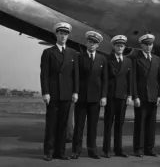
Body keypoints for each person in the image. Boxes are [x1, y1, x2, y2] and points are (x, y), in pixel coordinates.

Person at [40, 22, 79, 161]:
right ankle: (49, 152)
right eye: (61, 33)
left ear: (68, 36)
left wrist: (75, 92)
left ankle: (60, 152)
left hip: (67, 94)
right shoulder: (48, 52)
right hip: (53, 94)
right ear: (56, 34)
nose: (63, 36)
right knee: (52, 123)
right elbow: (44, 74)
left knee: (63, 124)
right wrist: (45, 92)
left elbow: (75, 75)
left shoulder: (73, 54)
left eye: (65, 34)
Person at [71, 31, 108, 160]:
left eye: (95, 43)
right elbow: (76, 76)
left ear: (98, 45)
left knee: (93, 126)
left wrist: (104, 96)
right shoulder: (79, 57)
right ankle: (76, 150)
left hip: (95, 98)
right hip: (81, 97)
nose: (92, 45)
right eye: (90, 42)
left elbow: (105, 79)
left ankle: (92, 150)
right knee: (79, 125)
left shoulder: (102, 59)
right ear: (86, 43)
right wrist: (75, 92)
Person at [132, 34, 160, 157]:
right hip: (141, 97)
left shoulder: (157, 59)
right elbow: (133, 80)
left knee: (151, 125)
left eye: (150, 44)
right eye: (146, 44)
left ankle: (149, 148)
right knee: (140, 124)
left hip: (153, 97)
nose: (148, 46)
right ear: (142, 46)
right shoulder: (137, 60)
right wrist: (135, 96)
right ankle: (138, 149)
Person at [102, 35, 133, 158]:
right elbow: (104, 79)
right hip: (110, 96)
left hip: (122, 96)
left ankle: (118, 150)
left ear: (124, 47)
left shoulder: (128, 61)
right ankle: (106, 150)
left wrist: (130, 95)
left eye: (122, 46)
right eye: (118, 45)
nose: (120, 48)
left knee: (119, 124)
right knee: (108, 124)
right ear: (114, 47)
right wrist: (103, 96)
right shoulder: (107, 60)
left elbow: (130, 80)